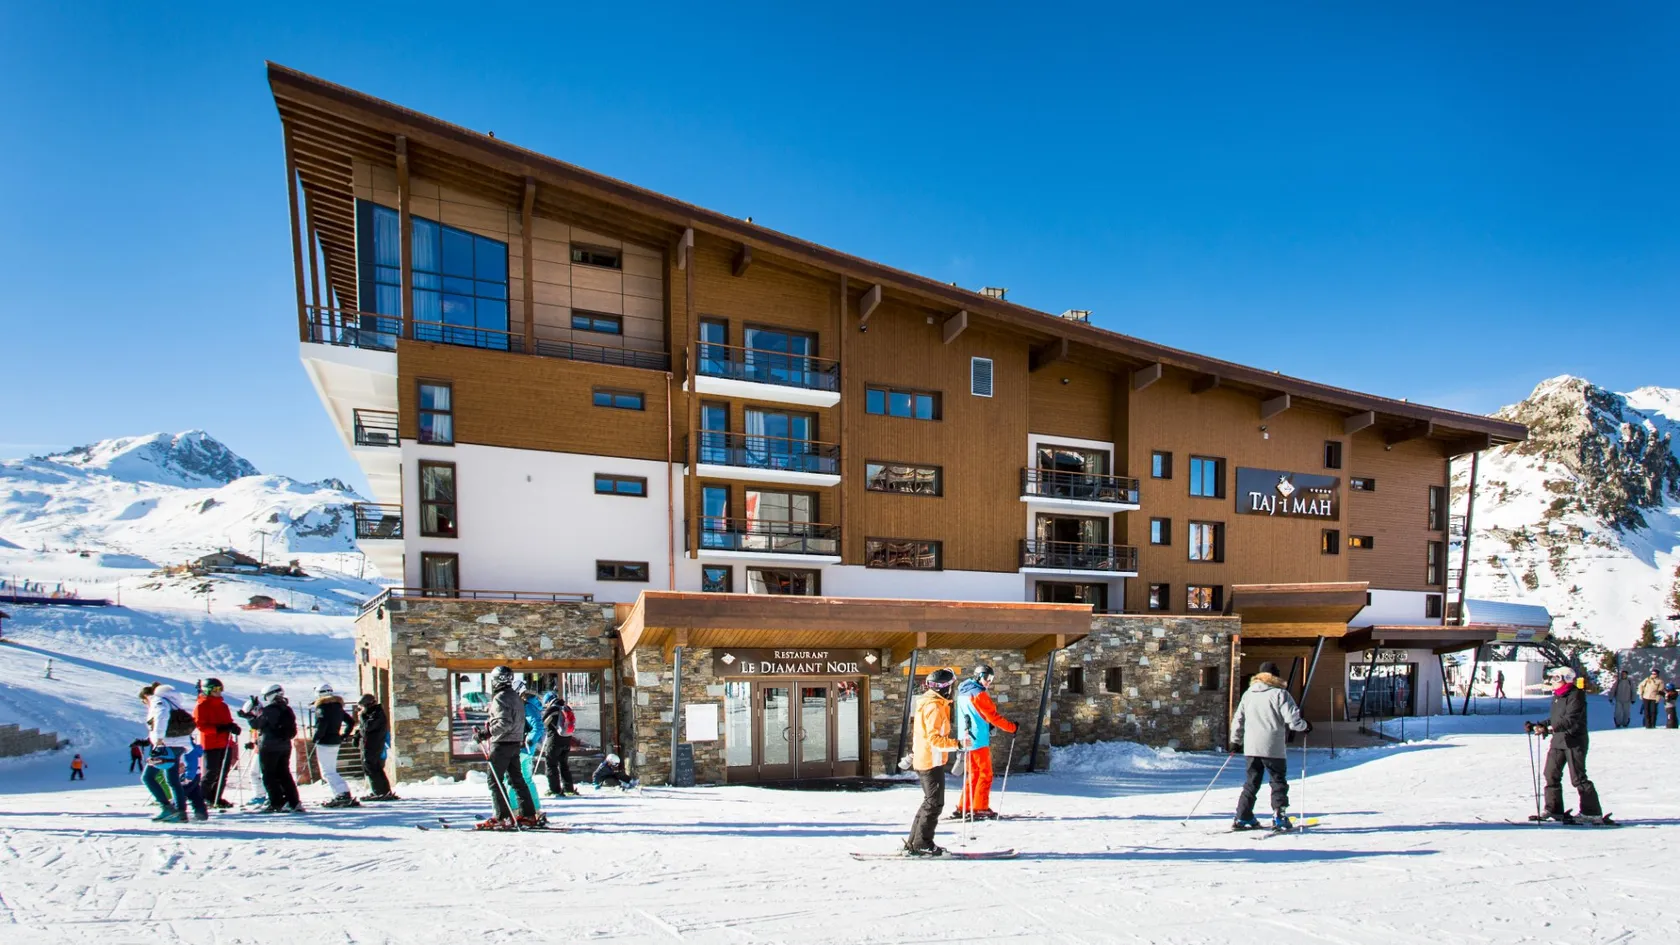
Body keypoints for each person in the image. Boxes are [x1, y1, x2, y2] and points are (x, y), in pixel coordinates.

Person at [1230, 661, 1311, 831]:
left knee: (1251, 782)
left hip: (1251, 747)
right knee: (1277, 781)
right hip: (1272, 746)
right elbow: (1293, 721)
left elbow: (1238, 719)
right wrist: (1305, 726)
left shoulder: (1248, 694)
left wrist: (1235, 741)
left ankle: (1243, 815)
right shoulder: (1280, 694)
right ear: (1275, 676)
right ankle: (1279, 816)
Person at [1526, 666, 1605, 823]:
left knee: (1578, 778)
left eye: (1557, 678)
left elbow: (1570, 720)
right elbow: (1556, 718)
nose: (1553, 681)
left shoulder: (1576, 695)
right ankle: (1553, 809)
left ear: (1567, 680)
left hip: (1574, 741)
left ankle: (1592, 812)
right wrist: (1539, 724)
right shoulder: (1558, 696)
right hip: (1558, 740)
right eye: (1552, 678)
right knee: (1551, 774)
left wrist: (1549, 728)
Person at [905, 668, 964, 857]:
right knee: (934, 804)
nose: (953, 689)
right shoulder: (934, 706)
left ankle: (914, 842)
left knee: (930, 802)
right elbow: (934, 740)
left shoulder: (932, 703)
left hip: (927, 758)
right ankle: (922, 843)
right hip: (930, 760)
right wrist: (958, 744)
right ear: (945, 688)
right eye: (952, 685)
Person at [471, 666, 539, 829]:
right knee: (516, 780)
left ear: (497, 680)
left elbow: (504, 722)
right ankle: (528, 814)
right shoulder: (516, 697)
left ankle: (503, 817)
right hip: (515, 743)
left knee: (494, 780)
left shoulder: (500, 698)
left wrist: (486, 733)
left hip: (502, 744)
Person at [952, 664, 1017, 821]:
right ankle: (980, 807)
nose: (989, 682)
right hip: (978, 740)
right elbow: (993, 716)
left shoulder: (963, 691)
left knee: (973, 774)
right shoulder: (979, 694)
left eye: (991, 679)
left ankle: (964, 806)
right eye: (987, 678)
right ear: (978, 676)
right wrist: (1012, 727)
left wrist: (986, 725)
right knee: (985, 773)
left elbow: (974, 714)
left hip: (966, 739)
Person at [244, 684, 302, 813]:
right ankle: (293, 801)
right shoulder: (287, 709)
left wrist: (249, 717)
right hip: (285, 745)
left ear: (270, 695)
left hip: (269, 746)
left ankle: (276, 802)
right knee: (284, 774)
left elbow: (258, 724)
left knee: (269, 775)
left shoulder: (270, 710)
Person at [142, 682, 195, 822]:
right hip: (180, 744)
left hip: (166, 744)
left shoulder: (158, 701)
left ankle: (167, 808)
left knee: (148, 777)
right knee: (173, 780)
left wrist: (158, 740)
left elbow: (161, 718)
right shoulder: (174, 702)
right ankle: (180, 812)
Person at [193, 678, 238, 810]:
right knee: (211, 772)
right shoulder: (201, 706)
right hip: (211, 744)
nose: (219, 692)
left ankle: (216, 797)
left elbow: (228, 721)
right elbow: (201, 726)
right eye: (215, 689)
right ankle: (203, 797)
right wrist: (219, 729)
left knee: (223, 772)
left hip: (225, 743)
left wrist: (233, 727)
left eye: (220, 689)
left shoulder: (223, 706)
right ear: (207, 690)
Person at [311, 683, 359, 808]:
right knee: (331, 769)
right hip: (335, 741)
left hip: (325, 742)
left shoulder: (321, 708)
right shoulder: (338, 707)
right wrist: (344, 735)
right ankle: (341, 793)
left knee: (327, 772)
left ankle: (342, 793)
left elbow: (321, 725)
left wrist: (316, 738)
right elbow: (350, 722)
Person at [354, 694, 397, 800]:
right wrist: (357, 736)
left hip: (374, 745)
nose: (360, 710)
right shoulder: (371, 713)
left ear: (367, 705)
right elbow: (363, 729)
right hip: (369, 744)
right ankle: (382, 791)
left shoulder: (377, 714)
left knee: (372, 768)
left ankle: (380, 792)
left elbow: (368, 727)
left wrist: (362, 717)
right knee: (372, 768)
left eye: (361, 707)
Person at [541, 692, 578, 797]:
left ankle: (555, 790)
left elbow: (542, 723)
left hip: (554, 740)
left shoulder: (552, 709)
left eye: (546, 703)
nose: (546, 705)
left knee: (551, 764)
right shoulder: (566, 708)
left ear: (549, 701)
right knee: (564, 765)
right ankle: (568, 789)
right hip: (566, 740)